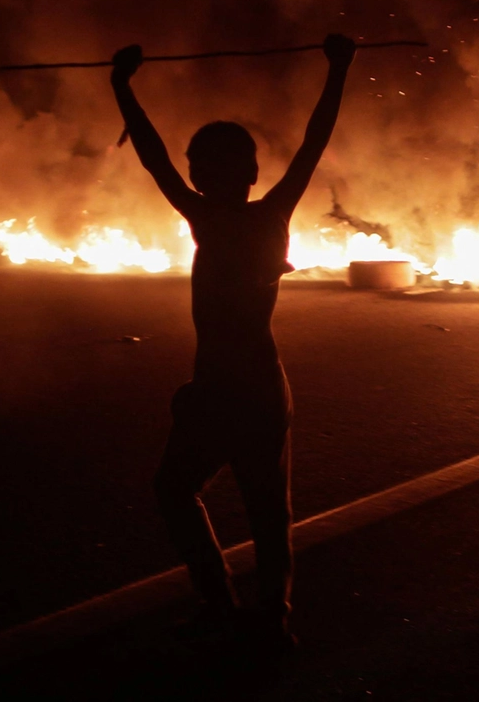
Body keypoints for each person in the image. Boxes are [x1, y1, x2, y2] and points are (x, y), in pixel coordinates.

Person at [110, 34, 356, 650]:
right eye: (202, 165)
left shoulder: (218, 218)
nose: (202, 174)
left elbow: (153, 155)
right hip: (257, 385)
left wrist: (122, 86)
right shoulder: (257, 214)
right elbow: (310, 144)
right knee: (264, 509)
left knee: (188, 492)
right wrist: (339, 68)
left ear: (243, 172)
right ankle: (264, 618)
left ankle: (233, 611)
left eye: (210, 164)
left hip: (229, 385)